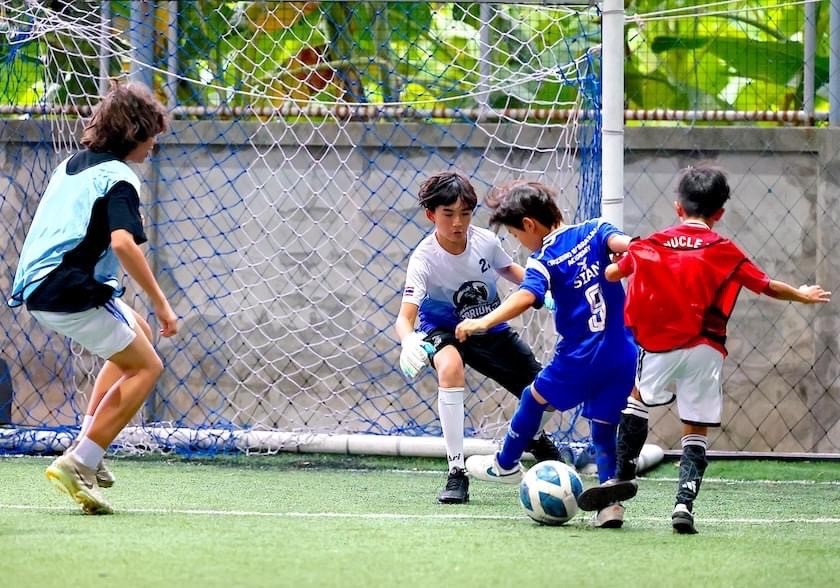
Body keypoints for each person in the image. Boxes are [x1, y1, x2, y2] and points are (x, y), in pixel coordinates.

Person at [576, 164, 831, 534]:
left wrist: (614, 265)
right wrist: (801, 294)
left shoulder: (651, 243)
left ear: (678, 206)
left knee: (637, 400)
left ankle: (621, 476)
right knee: (694, 426)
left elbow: (615, 274)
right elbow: (765, 285)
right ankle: (684, 504)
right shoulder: (725, 250)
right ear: (720, 213)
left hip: (658, 345)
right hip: (705, 349)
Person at [7, 81, 178, 515]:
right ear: (133, 134)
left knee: (134, 336)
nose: (155, 143)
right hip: (67, 286)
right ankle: (80, 461)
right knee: (147, 367)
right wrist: (162, 304)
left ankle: (90, 447)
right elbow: (123, 244)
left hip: (44, 283)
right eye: (151, 133)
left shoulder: (74, 164)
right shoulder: (120, 179)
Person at [456, 180, 637, 528]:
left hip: (579, 358)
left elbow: (526, 296)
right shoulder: (597, 228)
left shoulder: (543, 259)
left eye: (515, 235)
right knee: (602, 429)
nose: (519, 243)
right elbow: (626, 245)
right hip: (622, 354)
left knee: (534, 398)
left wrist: (482, 322)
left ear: (529, 225)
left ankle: (504, 463)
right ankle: (611, 505)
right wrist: (639, 251)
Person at [394, 171, 561, 505]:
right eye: (448, 214)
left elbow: (511, 271)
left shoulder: (486, 240)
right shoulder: (424, 259)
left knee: (548, 390)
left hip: (487, 326)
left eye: (466, 213)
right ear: (431, 215)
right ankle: (457, 472)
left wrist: (543, 289)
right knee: (450, 368)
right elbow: (405, 318)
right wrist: (409, 341)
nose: (458, 222)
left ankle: (533, 437)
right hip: (442, 332)